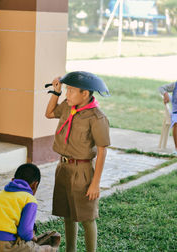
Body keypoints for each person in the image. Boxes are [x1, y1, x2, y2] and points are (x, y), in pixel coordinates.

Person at [45, 71, 111, 252]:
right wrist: (56, 94)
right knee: (67, 214)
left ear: (85, 93)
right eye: (67, 90)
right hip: (63, 167)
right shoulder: (67, 106)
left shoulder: (97, 118)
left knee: (86, 218)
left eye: (71, 91)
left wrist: (95, 184)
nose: (67, 94)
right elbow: (49, 113)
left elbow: (102, 150)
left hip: (82, 171)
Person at [0, 163, 60, 252]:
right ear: (35, 185)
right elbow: (24, 232)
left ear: (12, 180)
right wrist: (32, 237)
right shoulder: (29, 199)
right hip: (2, 244)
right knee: (46, 249)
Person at [159, 81, 177, 154]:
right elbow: (161, 88)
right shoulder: (175, 85)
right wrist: (165, 94)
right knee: (176, 123)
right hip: (176, 112)